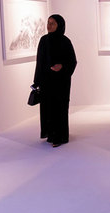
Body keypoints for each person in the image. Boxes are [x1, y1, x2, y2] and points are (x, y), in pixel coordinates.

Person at [33, 14, 77, 147]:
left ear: (60, 25)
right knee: (47, 108)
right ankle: (51, 135)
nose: (49, 26)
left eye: (52, 23)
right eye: (48, 23)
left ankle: (60, 137)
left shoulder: (65, 41)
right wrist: (37, 81)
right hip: (46, 81)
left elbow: (72, 61)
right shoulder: (43, 40)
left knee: (60, 108)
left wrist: (62, 66)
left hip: (60, 82)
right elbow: (39, 62)